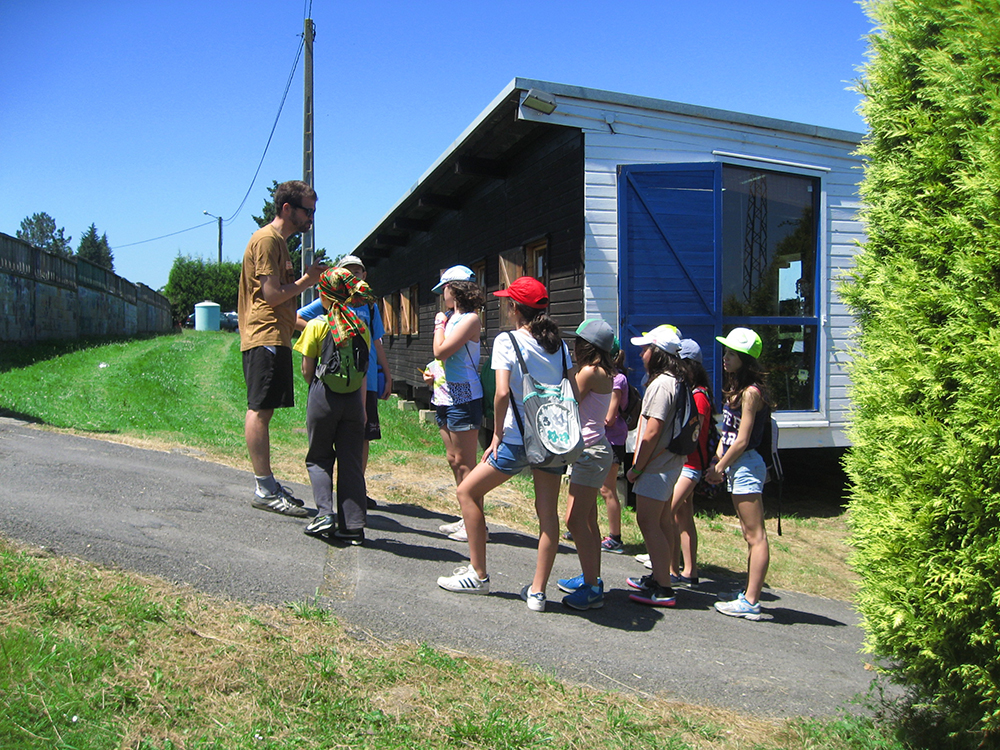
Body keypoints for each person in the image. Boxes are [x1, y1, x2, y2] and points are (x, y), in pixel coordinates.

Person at [436, 276, 575, 613]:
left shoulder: (507, 341)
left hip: (515, 438)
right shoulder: (560, 345)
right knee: (547, 515)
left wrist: (496, 434)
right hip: (551, 438)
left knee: (467, 492)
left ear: (514, 308)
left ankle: (479, 574)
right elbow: (572, 390)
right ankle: (538, 592)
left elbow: (501, 393)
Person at [238, 179, 326, 517]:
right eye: (308, 211)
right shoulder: (266, 240)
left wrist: (316, 327)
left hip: (276, 334)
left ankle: (269, 484)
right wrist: (307, 281)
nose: (311, 218)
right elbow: (273, 296)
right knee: (260, 409)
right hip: (264, 336)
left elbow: (281, 303)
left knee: (266, 409)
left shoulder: (280, 244)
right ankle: (263, 487)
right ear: (287, 209)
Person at [296, 254, 392, 510]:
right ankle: (349, 509)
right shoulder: (326, 311)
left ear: (363, 275)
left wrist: (387, 372)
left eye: (357, 271)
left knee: (360, 439)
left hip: (365, 379)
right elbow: (297, 317)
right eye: (347, 272)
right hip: (340, 381)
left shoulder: (369, 306)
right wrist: (327, 330)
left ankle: (352, 493)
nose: (353, 276)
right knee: (342, 443)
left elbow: (378, 340)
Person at [293, 267, 376, 544]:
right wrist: (362, 408)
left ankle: (325, 515)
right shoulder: (361, 327)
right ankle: (353, 526)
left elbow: (307, 369)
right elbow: (364, 370)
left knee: (319, 456)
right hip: (354, 399)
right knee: (351, 462)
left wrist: (316, 391)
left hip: (324, 396)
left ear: (325, 295)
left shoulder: (317, 325)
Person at [705, 327, 771, 620]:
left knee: (756, 535)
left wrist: (719, 467)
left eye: (732, 353)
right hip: (736, 465)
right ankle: (748, 593)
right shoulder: (738, 391)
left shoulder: (751, 394)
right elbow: (728, 433)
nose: (725, 357)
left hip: (746, 465)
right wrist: (718, 459)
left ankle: (752, 602)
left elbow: (742, 440)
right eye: (726, 352)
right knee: (748, 533)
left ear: (746, 359)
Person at [623, 324, 686, 607]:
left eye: (647, 348)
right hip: (670, 463)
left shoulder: (661, 384)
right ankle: (662, 576)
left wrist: (637, 468)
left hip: (656, 465)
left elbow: (652, 432)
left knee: (648, 521)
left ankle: (663, 588)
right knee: (661, 523)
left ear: (658, 353)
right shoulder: (677, 379)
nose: (642, 352)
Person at [556, 319, 616, 611]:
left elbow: (566, 399)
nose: (572, 348)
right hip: (592, 452)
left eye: (577, 343)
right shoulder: (601, 371)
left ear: (587, 347)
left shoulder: (590, 372)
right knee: (589, 520)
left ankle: (592, 587)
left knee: (574, 520)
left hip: (589, 453)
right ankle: (591, 577)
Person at [424, 265, 485, 542]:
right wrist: (431, 373)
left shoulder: (470, 319)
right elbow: (441, 360)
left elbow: (441, 349)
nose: (442, 295)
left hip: (465, 395)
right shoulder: (451, 318)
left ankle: (477, 524)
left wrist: (439, 324)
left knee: (466, 463)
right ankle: (466, 517)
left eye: (444, 289)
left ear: (455, 288)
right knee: (453, 460)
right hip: (444, 394)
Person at [668, 338, 714, 588]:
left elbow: (691, 432)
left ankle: (672, 569)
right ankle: (691, 570)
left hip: (690, 465)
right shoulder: (697, 393)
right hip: (688, 463)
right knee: (684, 517)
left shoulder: (698, 397)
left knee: (668, 512)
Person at [598, 344, 629, 554]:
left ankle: (615, 537)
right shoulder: (603, 376)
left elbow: (610, 418)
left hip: (613, 441)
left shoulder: (618, 380)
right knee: (591, 486)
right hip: (601, 439)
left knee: (607, 489)